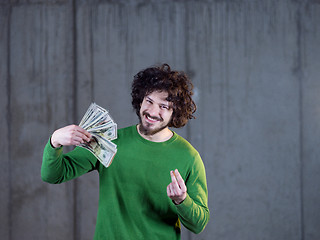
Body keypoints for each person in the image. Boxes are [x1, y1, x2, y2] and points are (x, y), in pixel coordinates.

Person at [41, 63, 210, 239]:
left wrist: (182, 200)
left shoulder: (189, 157)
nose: (152, 111)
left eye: (163, 106)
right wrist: (55, 142)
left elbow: (199, 225)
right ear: (140, 100)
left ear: (175, 112)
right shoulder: (108, 141)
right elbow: (53, 175)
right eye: (149, 101)